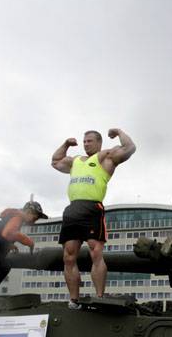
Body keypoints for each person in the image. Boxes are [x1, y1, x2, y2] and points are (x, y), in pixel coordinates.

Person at [52, 129, 136, 309]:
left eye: (90, 141)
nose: (86, 144)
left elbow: (129, 147)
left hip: (92, 208)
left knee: (95, 252)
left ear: (98, 143)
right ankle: (74, 300)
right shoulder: (75, 161)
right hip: (73, 209)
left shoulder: (105, 157)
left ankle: (99, 296)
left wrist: (119, 132)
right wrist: (66, 144)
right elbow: (55, 161)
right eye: (84, 141)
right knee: (68, 256)